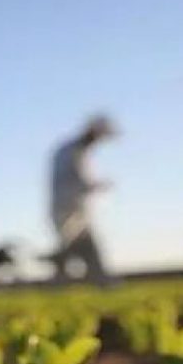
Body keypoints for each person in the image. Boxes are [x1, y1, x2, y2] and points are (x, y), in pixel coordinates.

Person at [43, 115, 117, 285]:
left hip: (76, 210)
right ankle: (101, 283)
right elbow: (73, 181)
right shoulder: (71, 151)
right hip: (67, 210)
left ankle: (101, 282)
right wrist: (97, 186)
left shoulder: (78, 151)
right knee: (75, 249)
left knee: (83, 248)